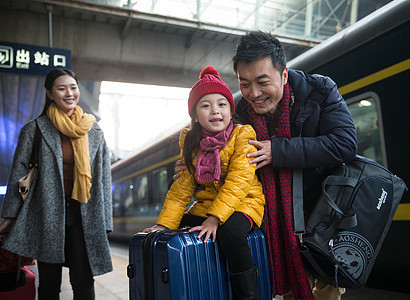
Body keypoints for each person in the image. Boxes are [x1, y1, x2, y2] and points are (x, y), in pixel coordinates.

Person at [175, 31, 358, 300]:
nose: (254, 93)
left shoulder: (319, 91)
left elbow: (345, 143)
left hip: (321, 219)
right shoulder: (237, 111)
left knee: (326, 293)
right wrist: (195, 162)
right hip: (275, 224)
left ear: (283, 76)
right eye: (244, 83)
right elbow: (226, 162)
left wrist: (279, 151)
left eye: (262, 82)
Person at [143, 66, 265, 299]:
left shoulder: (243, 135)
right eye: (205, 105)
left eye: (222, 104)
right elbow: (181, 190)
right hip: (209, 206)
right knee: (179, 230)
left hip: (244, 203)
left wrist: (214, 218)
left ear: (230, 110)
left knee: (230, 233)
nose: (215, 111)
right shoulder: (191, 143)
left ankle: (249, 295)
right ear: (195, 116)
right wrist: (164, 224)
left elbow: (238, 183)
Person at [0, 68, 113, 300]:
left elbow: (103, 178)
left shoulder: (94, 131)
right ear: (50, 94)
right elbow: (18, 174)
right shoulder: (35, 130)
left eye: (73, 87)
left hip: (84, 216)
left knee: (83, 281)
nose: (69, 93)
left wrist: (106, 221)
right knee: (49, 284)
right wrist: (10, 215)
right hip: (46, 214)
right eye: (61, 88)